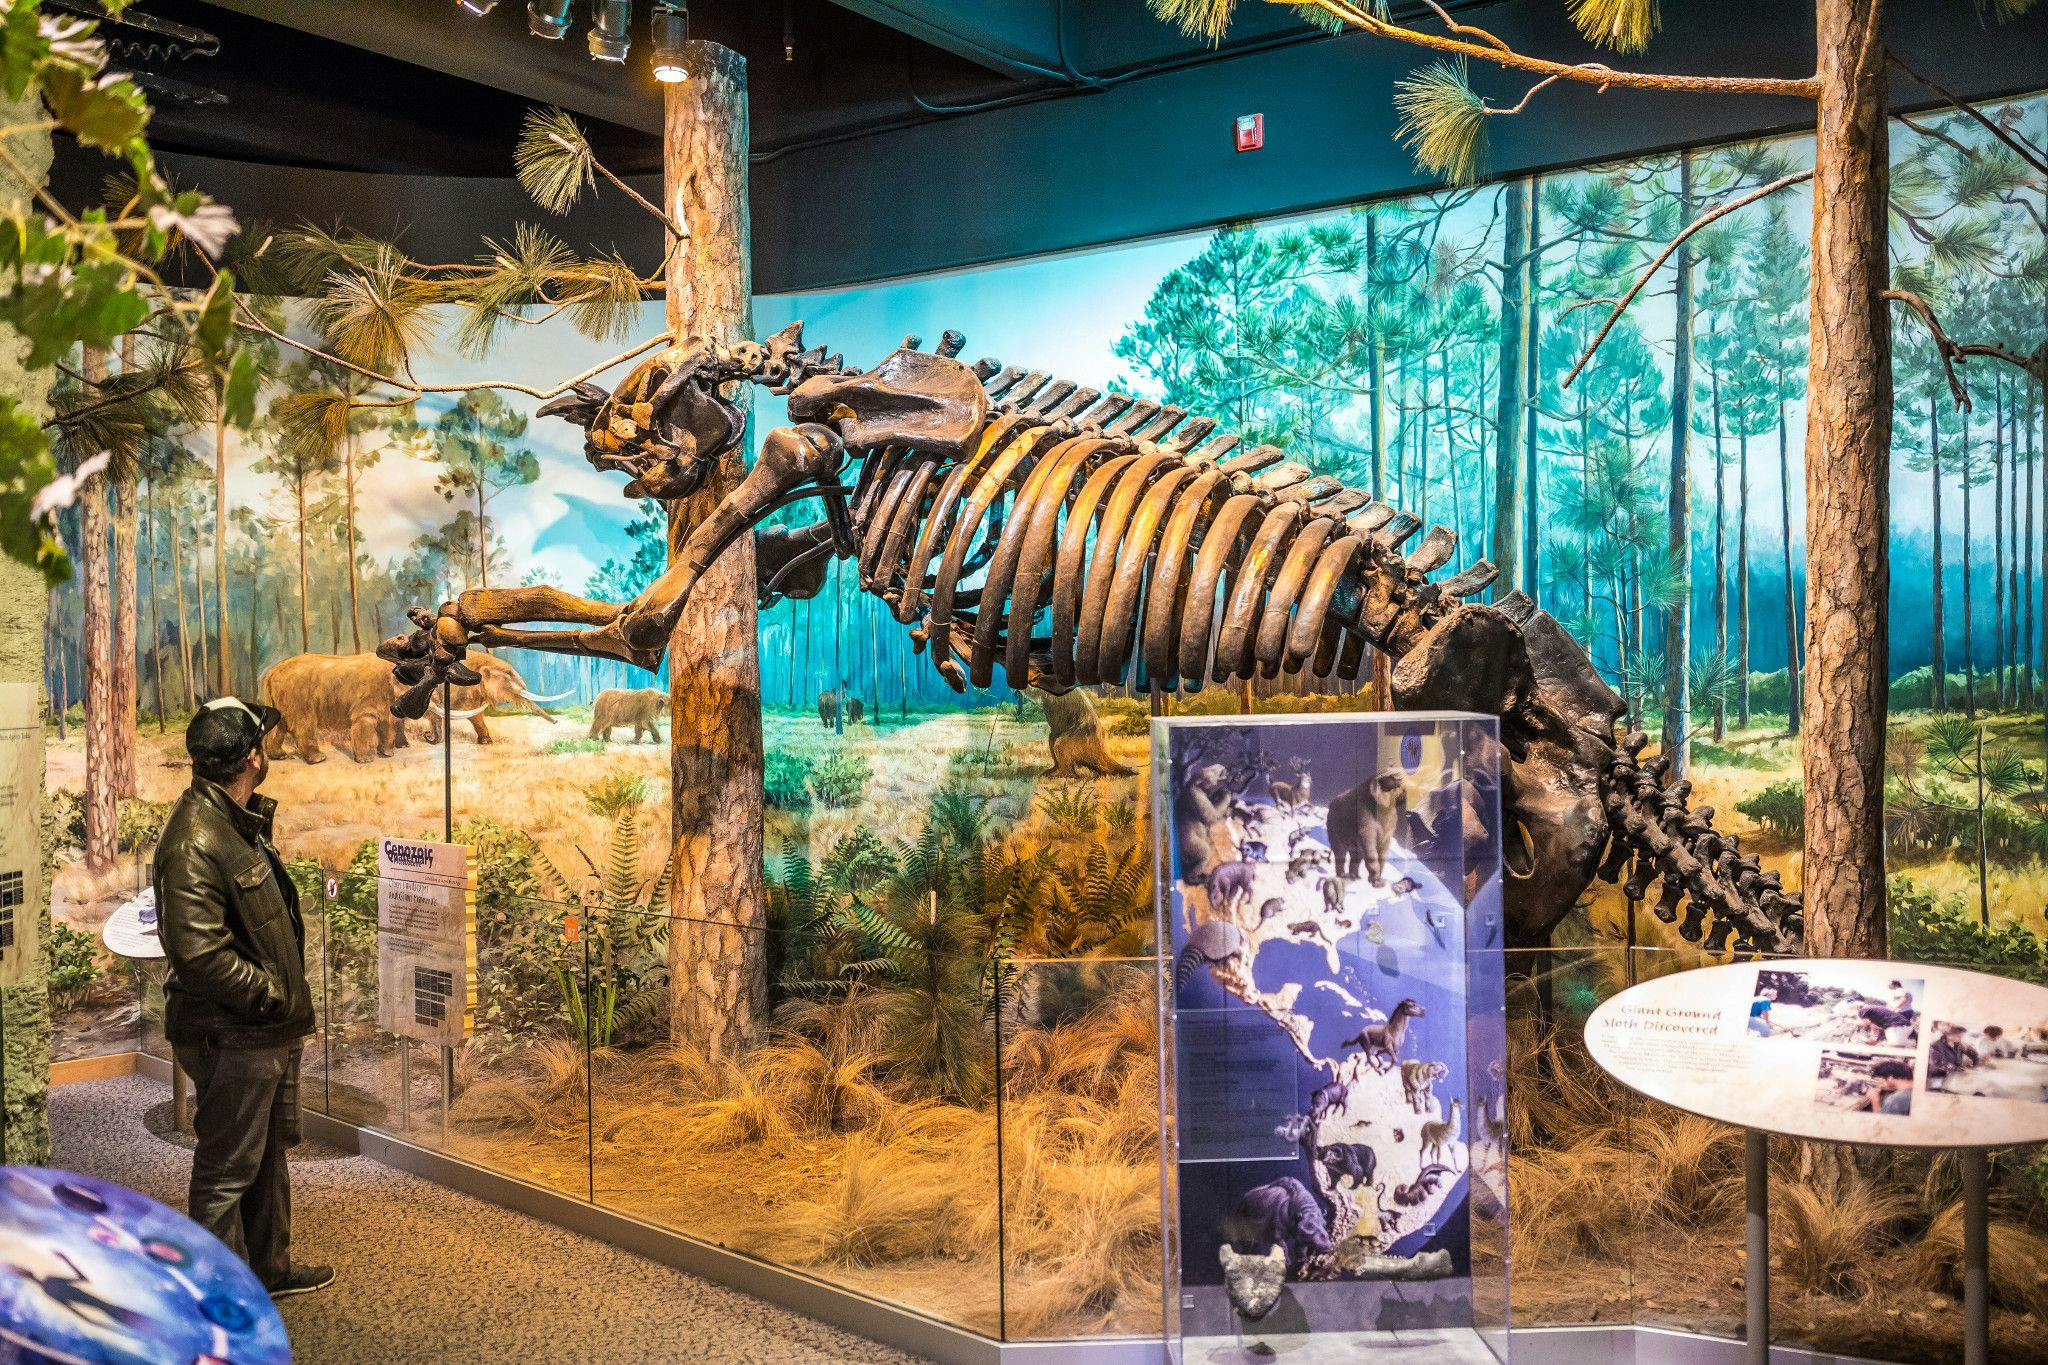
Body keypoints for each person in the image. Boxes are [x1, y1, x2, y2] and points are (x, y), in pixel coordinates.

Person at [154, 697, 330, 1300]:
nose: (269, 747)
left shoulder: (233, 819)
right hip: (231, 1030)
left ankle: (268, 1271)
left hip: (259, 1029)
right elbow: (199, 954)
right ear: (252, 756)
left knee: (264, 1153)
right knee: (226, 1170)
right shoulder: (195, 839)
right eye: (264, 741)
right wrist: (270, 997)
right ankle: (209, 1299)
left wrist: (276, 1007)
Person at [1927, 1022, 1980, 1088]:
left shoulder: (1959, 1044)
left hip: (1955, 1077)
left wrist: (1975, 1063)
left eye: (1962, 1037)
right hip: (1938, 1079)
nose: (1961, 1039)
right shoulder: (1935, 1046)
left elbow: (1974, 1055)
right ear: (1949, 1035)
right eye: (1959, 1036)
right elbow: (1939, 1064)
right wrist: (1959, 1069)